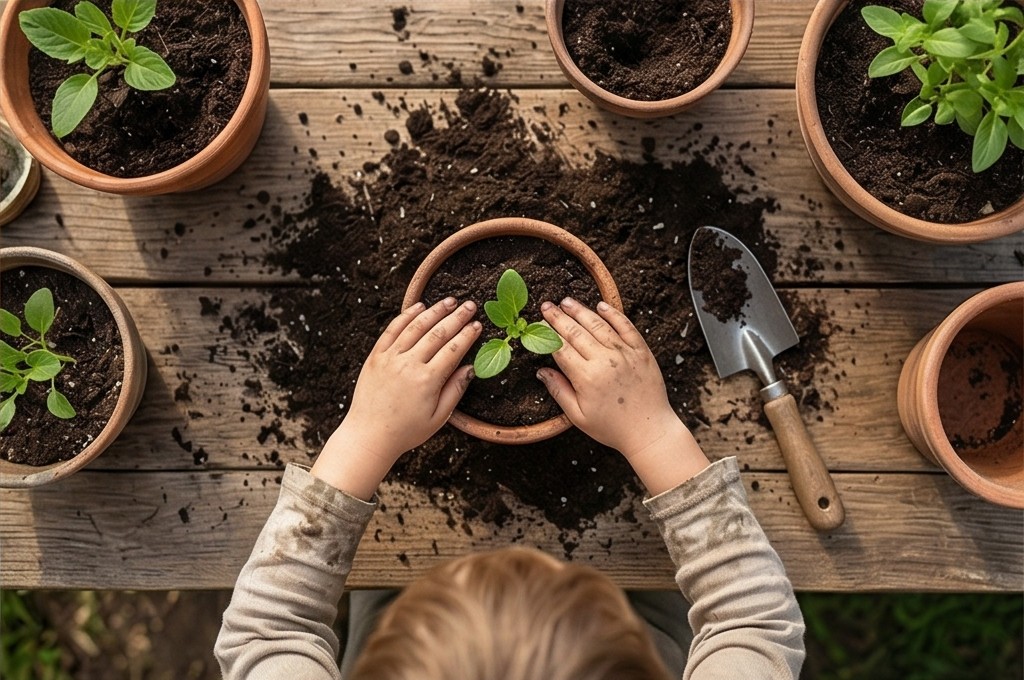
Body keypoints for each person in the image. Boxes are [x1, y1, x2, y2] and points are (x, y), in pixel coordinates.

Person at [215, 296, 806, 679]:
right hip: (637, 600)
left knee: (379, 590)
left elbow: (268, 630)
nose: (519, 555)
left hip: (410, 621)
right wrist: (653, 433)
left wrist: (367, 434)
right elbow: (752, 620)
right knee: (651, 581)